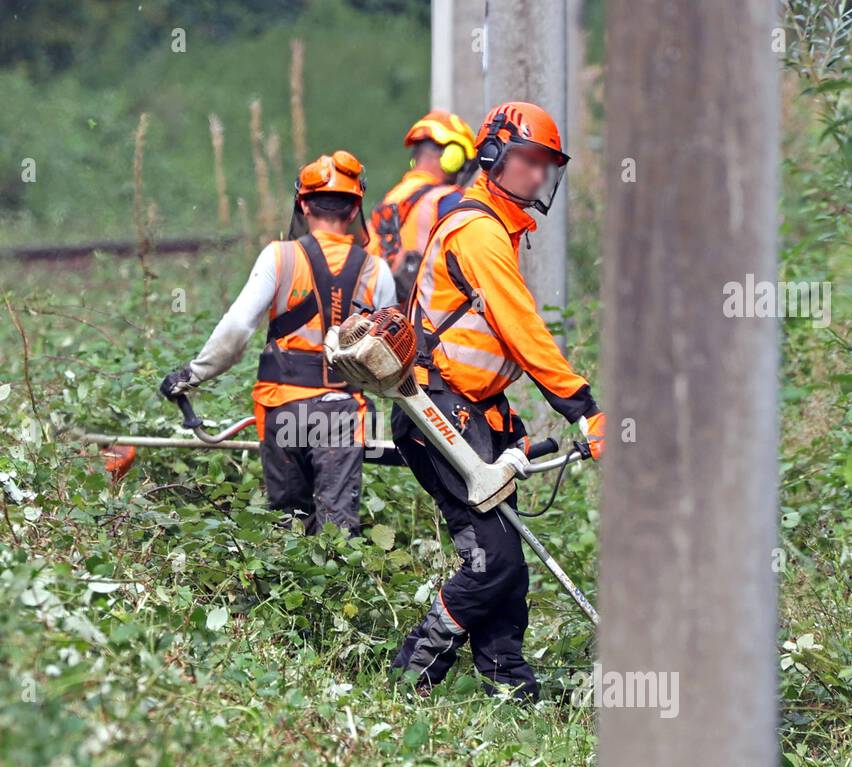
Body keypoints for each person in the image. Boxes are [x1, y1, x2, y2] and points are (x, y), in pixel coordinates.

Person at [390, 102, 606, 701]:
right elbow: (522, 329)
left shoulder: (498, 228)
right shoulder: (480, 230)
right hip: (437, 411)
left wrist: (504, 425)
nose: (538, 176)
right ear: (492, 157)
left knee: (505, 557)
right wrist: (584, 408)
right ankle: (412, 674)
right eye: (528, 161)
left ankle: (508, 686)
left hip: (469, 411)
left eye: (546, 166)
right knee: (494, 561)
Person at [160, 151, 397, 535]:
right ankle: (336, 589)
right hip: (343, 415)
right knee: (337, 533)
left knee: (288, 524)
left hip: (283, 409)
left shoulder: (280, 256)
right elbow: (389, 356)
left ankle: (288, 586)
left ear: (303, 204)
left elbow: (238, 327)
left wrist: (193, 375)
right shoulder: (377, 271)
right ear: (355, 210)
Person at [367, 110, 477, 301]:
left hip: (386, 320)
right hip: (426, 319)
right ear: (453, 157)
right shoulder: (446, 200)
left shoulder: (391, 199)